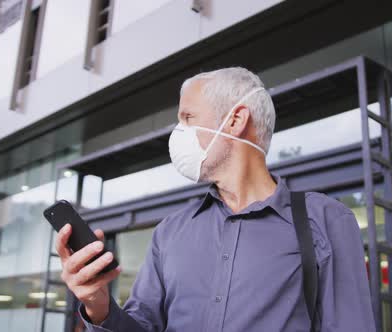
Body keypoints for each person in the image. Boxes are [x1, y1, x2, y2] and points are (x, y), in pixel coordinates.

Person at [56, 67, 375, 331]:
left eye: (187, 117)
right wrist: (98, 304)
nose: (178, 131)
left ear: (235, 121)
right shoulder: (170, 232)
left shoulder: (326, 220)